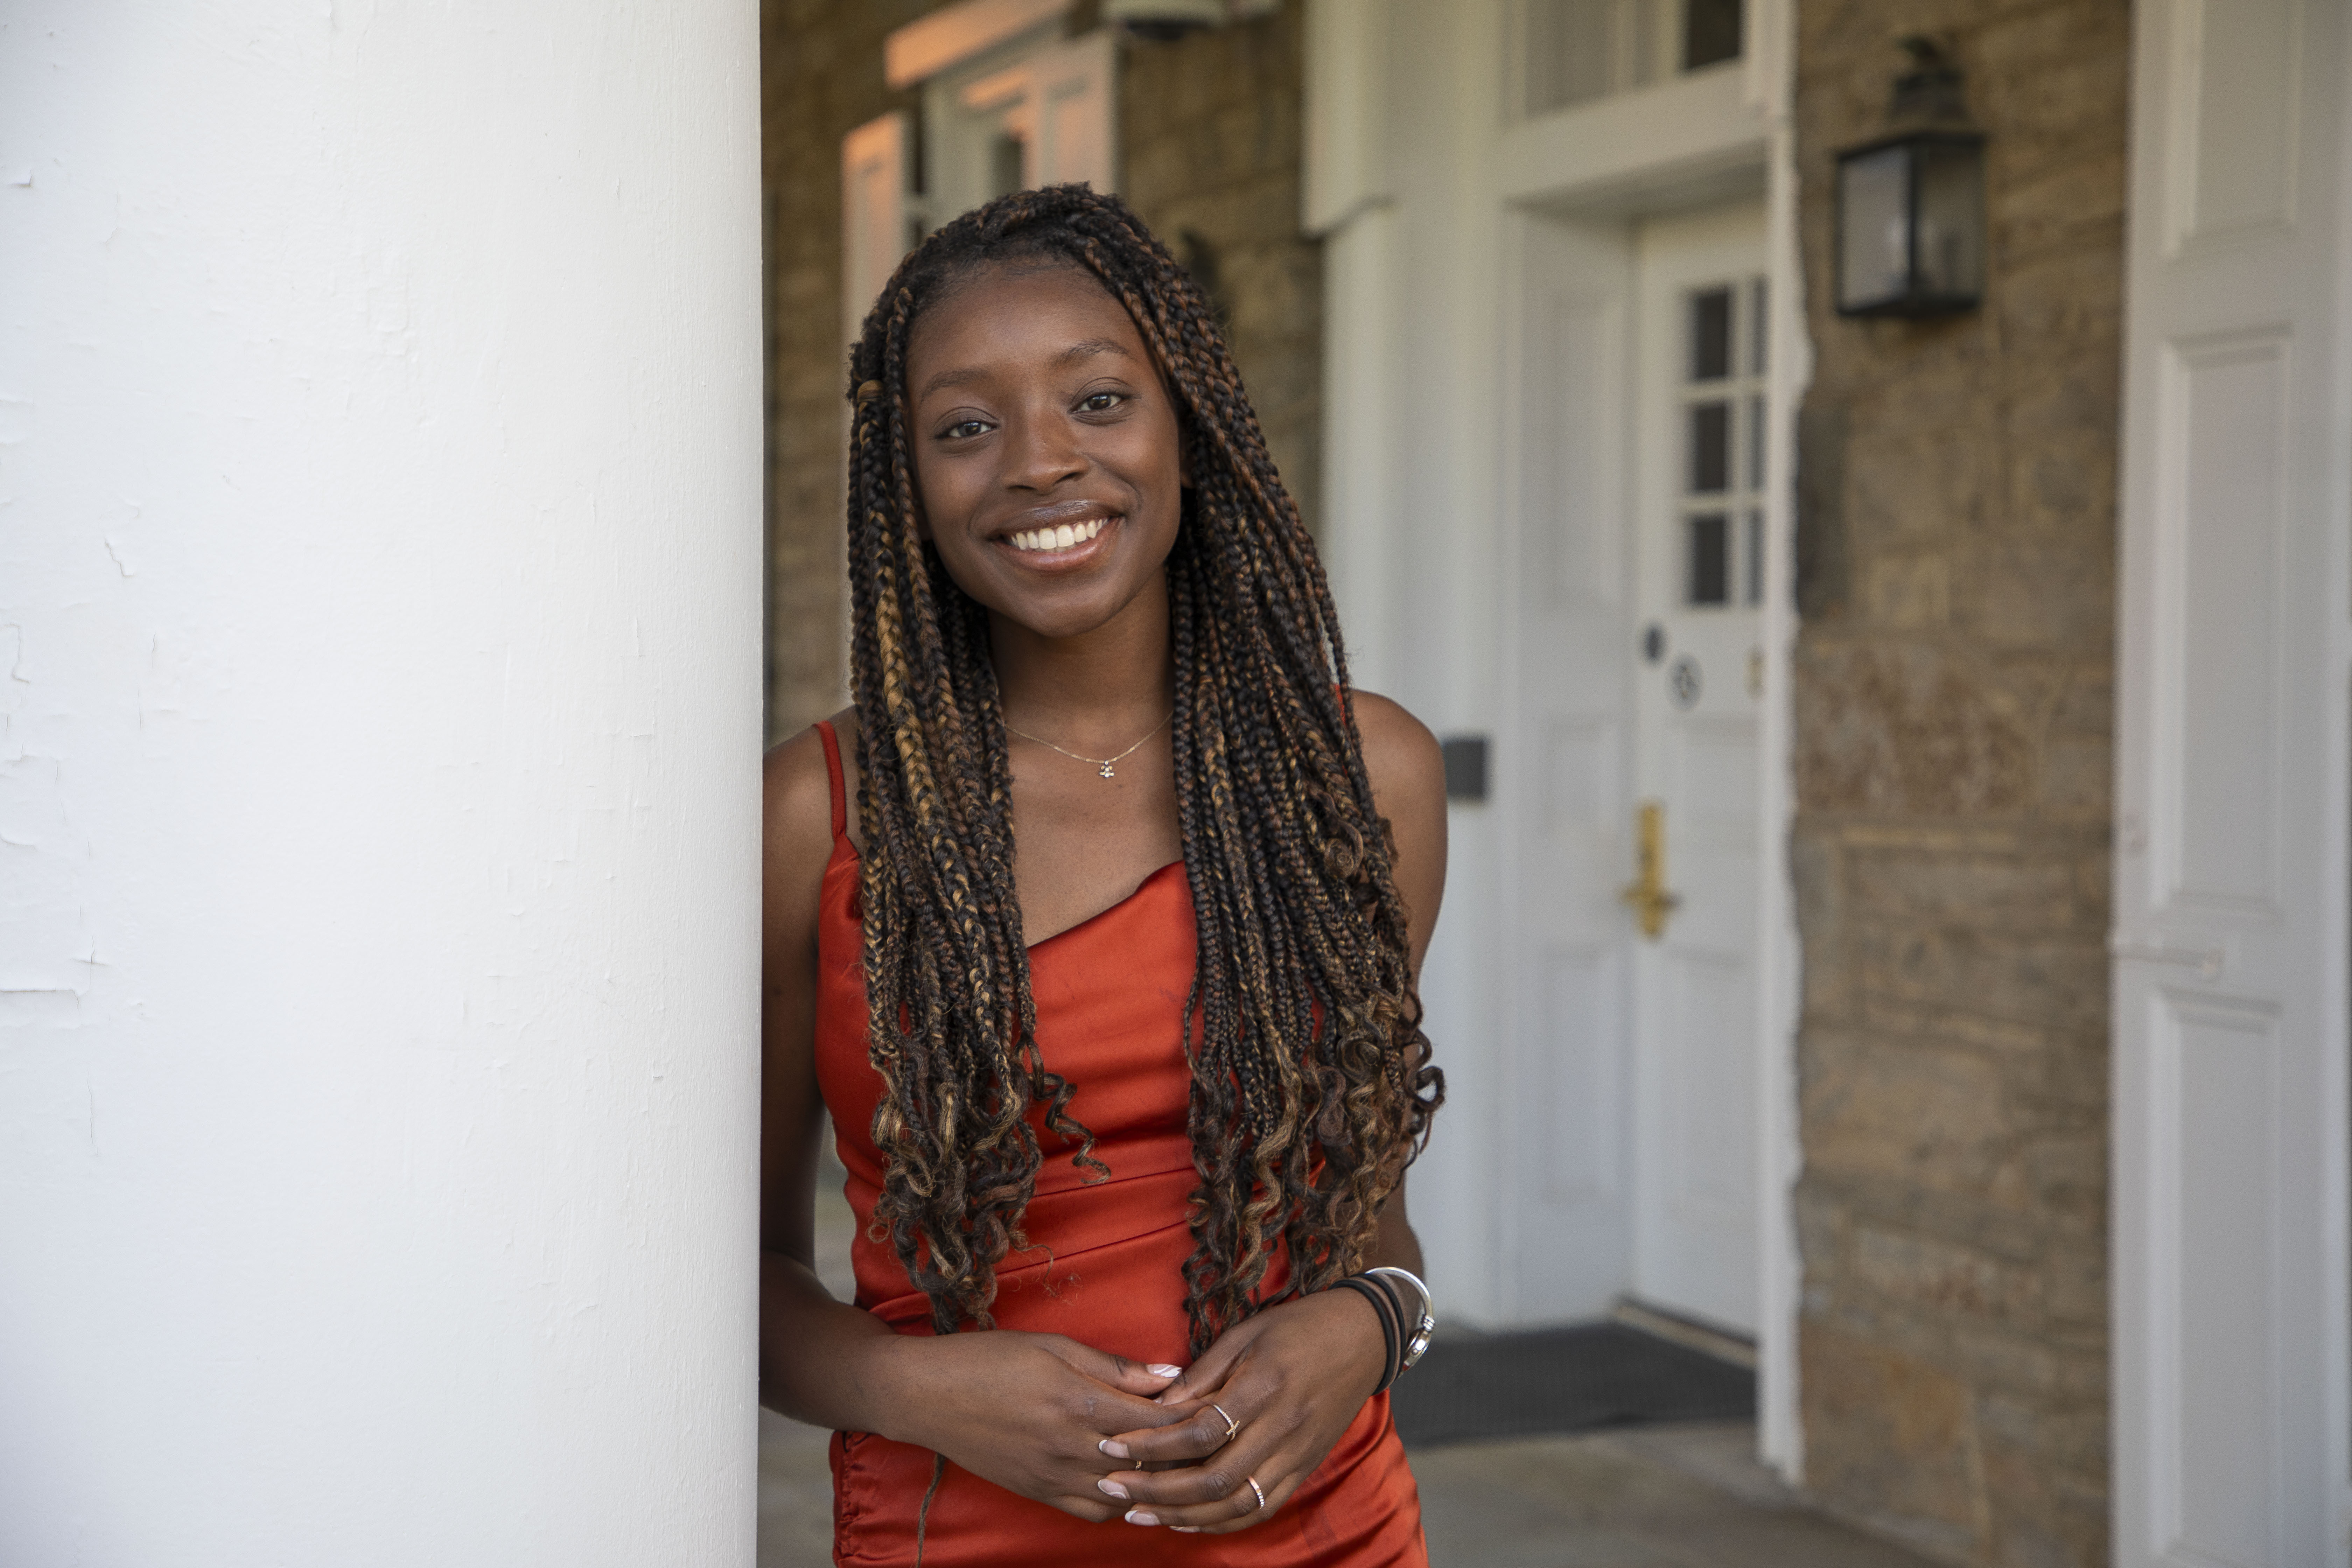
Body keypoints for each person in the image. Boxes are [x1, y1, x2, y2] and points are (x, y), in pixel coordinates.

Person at [760, 184, 1447, 1566]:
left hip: (1323, 1534)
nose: (1037, 463)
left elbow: (1374, 1230)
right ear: (909, 484)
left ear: (1187, 427)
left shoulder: (1360, 784)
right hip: (958, 1533)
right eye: (965, 425)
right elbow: (714, 1283)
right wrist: (919, 1391)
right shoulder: (814, 818)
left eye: (1096, 400)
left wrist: (1368, 1330)